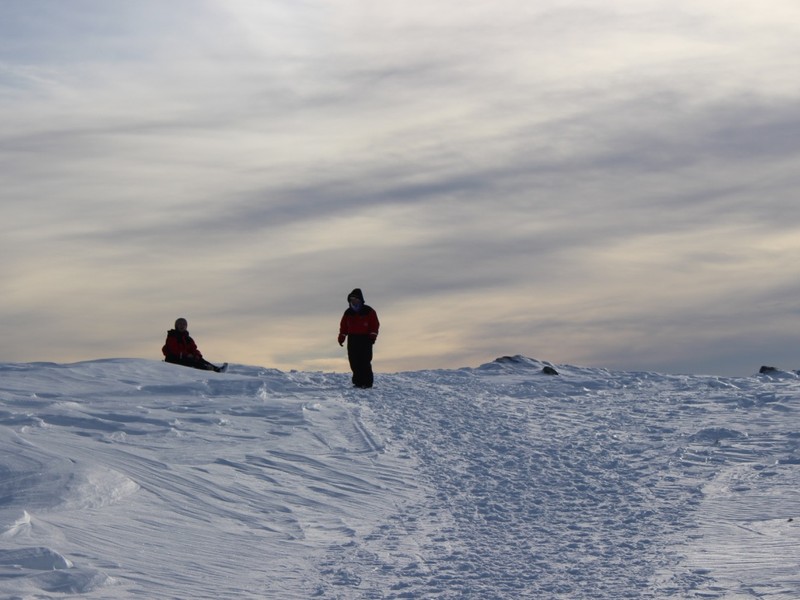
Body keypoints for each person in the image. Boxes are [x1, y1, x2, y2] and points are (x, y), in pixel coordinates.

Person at [338, 288, 380, 388]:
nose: (354, 301)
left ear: (360, 299)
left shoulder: (369, 311)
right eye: (351, 299)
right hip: (352, 339)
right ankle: (357, 382)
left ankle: (367, 383)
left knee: (365, 361)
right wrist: (341, 337)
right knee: (354, 361)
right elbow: (343, 326)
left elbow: (374, 324)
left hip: (365, 339)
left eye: (356, 299)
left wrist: (372, 336)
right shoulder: (348, 312)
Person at [162, 318, 227, 373]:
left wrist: (197, 355)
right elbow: (174, 350)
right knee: (192, 362)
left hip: (185, 357)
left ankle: (217, 369)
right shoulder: (172, 336)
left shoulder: (188, 338)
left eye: (184, 324)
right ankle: (207, 369)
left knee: (199, 359)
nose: (182, 326)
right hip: (174, 359)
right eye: (180, 324)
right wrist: (187, 355)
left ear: (186, 326)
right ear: (176, 326)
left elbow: (194, 349)